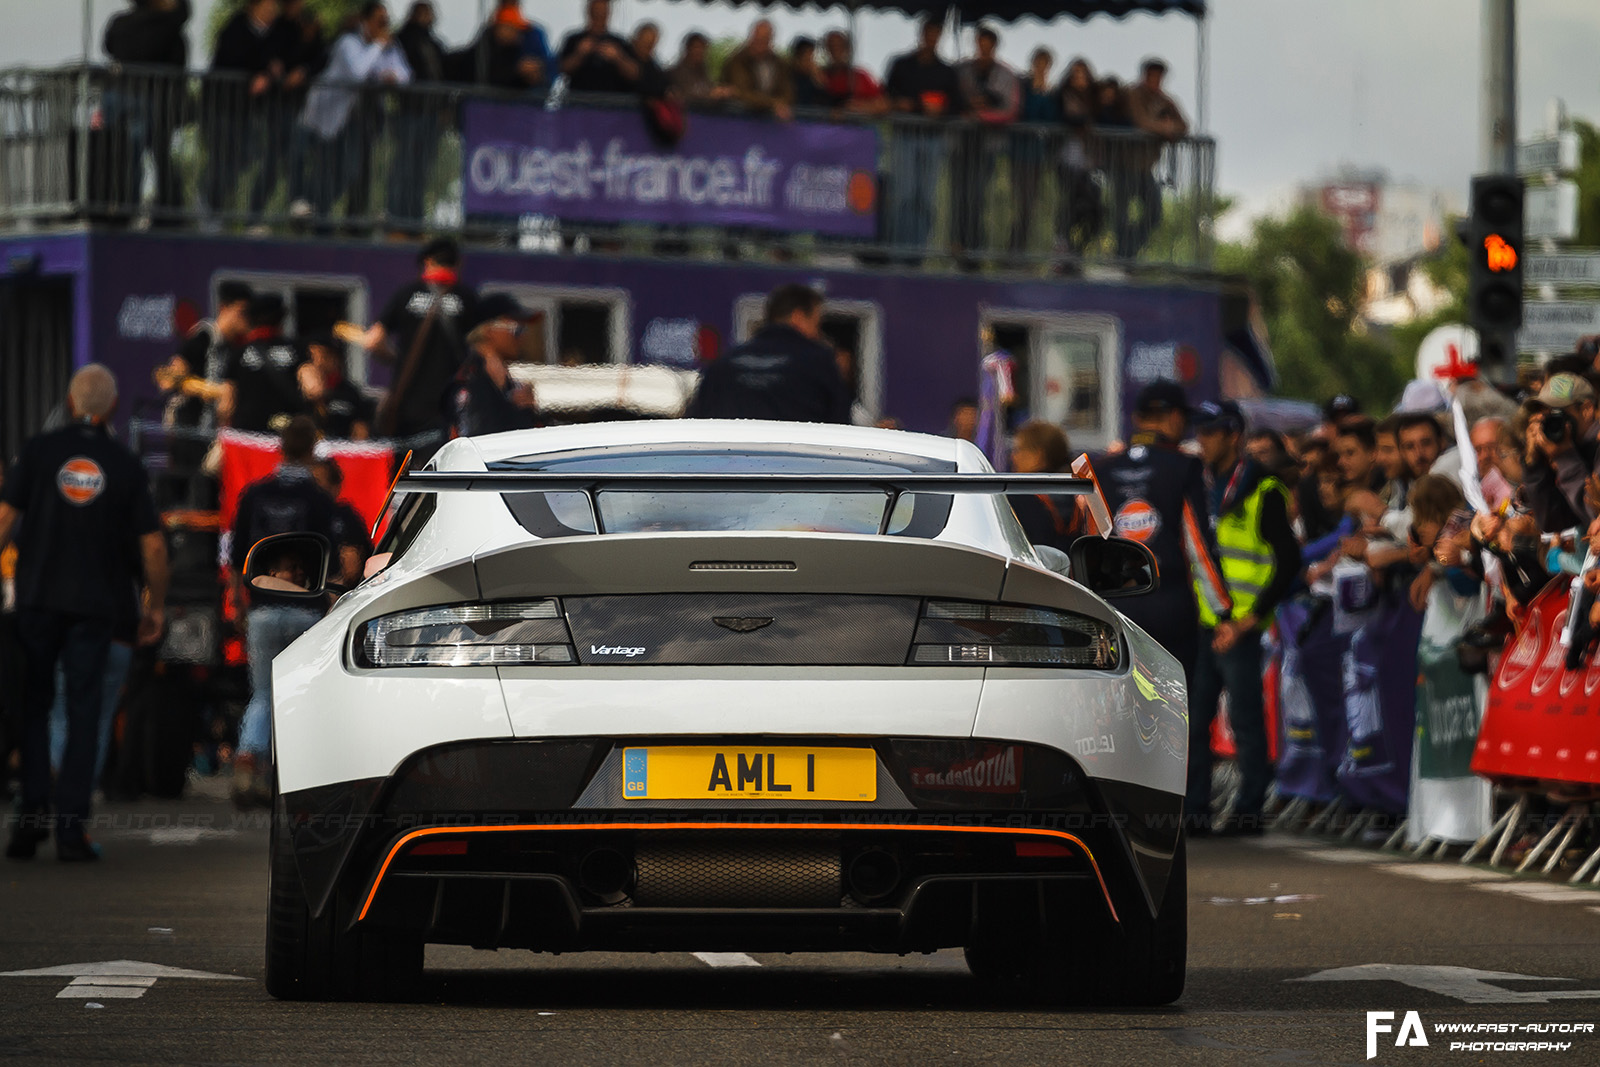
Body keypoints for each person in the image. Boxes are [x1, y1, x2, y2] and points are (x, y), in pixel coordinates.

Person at [0, 366, 168, 861]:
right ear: (111, 409)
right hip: (96, 608)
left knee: (33, 709)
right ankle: (71, 832)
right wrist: (154, 605)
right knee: (83, 712)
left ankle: (29, 823)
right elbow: (154, 547)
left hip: (37, 600)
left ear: (71, 404)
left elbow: (6, 520)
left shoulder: (37, 451)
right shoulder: (124, 462)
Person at [1188, 400, 1300, 834]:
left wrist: (1249, 620)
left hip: (1242, 623)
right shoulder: (1197, 482)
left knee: (1246, 719)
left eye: (1211, 431)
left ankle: (1250, 809)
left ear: (1232, 434)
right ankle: (1195, 810)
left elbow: (1287, 561)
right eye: (1199, 430)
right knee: (1195, 721)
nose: (1203, 439)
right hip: (1205, 620)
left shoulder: (1263, 487)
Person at [1092, 381, 1231, 703]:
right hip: (1170, 604)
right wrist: (1223, 612)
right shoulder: (1185, 466)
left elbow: (1091, 541)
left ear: (1140, 419)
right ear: (1171, 417)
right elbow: (1198, 545)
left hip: (1116, 607)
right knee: (1176, 708)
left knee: (1123, 706)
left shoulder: (1101, 468)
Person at [229, 416, 335, 807]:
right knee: (298, 695)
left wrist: (239, 602)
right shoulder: (320, 500)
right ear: (311, 450)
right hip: (305, 610)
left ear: (280, 448)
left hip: (262, 607)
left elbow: (236, 556)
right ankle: (288, 777)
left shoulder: (254, 495)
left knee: (262, 693)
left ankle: (246, 760)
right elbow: (331, 558)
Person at [358, 237, 478, 458]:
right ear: (457, 264)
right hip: (447, 406)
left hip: (406, 405)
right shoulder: (467, 298)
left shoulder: (406, 294)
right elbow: (481, 347)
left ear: (427, 262)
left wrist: (396, 359)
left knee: (402, 473)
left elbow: (372, 341)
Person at [298, 1, 411, 224]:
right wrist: (378, 46)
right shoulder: (348, 43)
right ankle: (308, 205)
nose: (383, 26)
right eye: (379, 21)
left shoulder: (385, 47)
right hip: (330, 117)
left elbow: (405, 74)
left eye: (386, 22)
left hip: (360, 121)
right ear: (365, 21)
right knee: (328, 167)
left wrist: (392, 75)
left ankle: (317, 210)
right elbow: (358, 72)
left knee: (349, 171)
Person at [686, 284, 850, 423]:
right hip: (795, 459)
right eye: (816, 323)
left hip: (729, 459)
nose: (818, 333)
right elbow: (840, 430)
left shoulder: (724, 364)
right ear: (798, 317)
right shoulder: (820, 362)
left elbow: (695, 424)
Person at [102, 0, 191, 222]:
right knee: (137, 151)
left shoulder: (121, 22)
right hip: (145, 97)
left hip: (124, 93)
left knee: (123, 152)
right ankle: (134, 205)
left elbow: (109, 45)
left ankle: (123, 204)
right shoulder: (168, 29)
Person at [884, 18, 964, 256]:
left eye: (936, 35)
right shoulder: (901, 65)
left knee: (926, 200)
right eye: (928, 33)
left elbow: (955, 105)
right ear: (921, 34)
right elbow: (888, 97)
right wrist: (910, 105)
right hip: (905, 138)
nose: (931, 39)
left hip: (933, 139)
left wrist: (940, 110)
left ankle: (918, 253)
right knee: (904, 197)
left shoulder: (946, 71)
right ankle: (898, 251)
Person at [206, 0, 282, 220]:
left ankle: (216, 203)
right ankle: (210, 204)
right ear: (253, 8)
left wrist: (270, 72)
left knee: (244, 156)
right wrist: (258, 73)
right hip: (223, 106)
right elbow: (233, 60)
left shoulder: (274, 34)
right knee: (224, 157)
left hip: (247, 110)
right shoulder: (236, 28)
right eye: (267, 7)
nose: (271, 12)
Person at [953, 26, 1019, 260]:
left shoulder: (1004, 74)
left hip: (988, 145)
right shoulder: (962, 69)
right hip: (961, 144)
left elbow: (1009, 110)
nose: (982, 48)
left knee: (978, 196)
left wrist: (983, 114)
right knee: (959, 195)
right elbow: (955, 99)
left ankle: (974, 249)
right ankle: (957, 244)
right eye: (979, 43)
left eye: (987, 44)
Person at [152, 280, 253, 433]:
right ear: (224, 308)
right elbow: (168, 378)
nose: (247, 319)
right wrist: (213, 391)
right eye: (242, 312)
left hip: (212, 433)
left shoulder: (237, 347)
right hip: (189, 430)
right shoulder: (204, 336)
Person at [1115, 58, 1187, 259]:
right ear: (1145, 75)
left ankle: (1128, 252)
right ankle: (1122, 255)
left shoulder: (1165, 100)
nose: (1155, 80)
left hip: (1146, 168)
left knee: (1154, 213)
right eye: (1152, 75)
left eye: (1159, 76)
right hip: (1123, 164)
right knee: (1122, 214)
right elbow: (1141, 122)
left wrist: (1168, 127)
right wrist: (1163, 128)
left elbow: (1184, 126)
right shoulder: (1133, 93)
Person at [389, 2, 450, 232]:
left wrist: (445, 108)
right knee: (404, 166)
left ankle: (414, 220)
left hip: (431, 115)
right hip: (410, 112)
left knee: (421, 170)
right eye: (423, 12)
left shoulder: (434, 43)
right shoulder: (403, 39)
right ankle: (397, 218)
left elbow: (444, 73)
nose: (428, 17)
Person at [451, 294, 540, 438]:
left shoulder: (506, 380)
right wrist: (514, 408)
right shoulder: (468, 378)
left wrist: (527, 408)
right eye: (516, 330)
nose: (522, 337)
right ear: (488, 330)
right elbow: (477, 438)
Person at [220, 293, 311, 433]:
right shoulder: (296, 349)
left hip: (248, 437)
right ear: (282, 317)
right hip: (287, 434)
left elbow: (226, 406)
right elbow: (313, 389)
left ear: (251, 318)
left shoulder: (238, 352)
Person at [1521, 372, 1600, 533]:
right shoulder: (1572, 447)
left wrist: (1565, 458)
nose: (1550, 423)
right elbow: (1552, 521)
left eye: (1557, 414)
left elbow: (1593, 513)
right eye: (1544, 416)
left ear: (1586, 409)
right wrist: (1535, 464)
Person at [1010, 47, 1060, 257]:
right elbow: (1023, 113)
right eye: (1038, 63)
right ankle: (1013, 251)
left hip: (1038, 155)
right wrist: (1036, 91)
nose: (1041, 68)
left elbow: (1049, 120)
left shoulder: (1050, 92)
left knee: (1030, 204)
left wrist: (1044, 93)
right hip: (1019, 152)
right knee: (1021, 203)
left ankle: (1020, 251)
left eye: (1045, 64)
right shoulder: (1022, 85)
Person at [1007, 421, 1082, 552]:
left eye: (1018, 450)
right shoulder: (1080, 492)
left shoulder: (1019, 498)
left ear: (1038, 455)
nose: (1013, 456)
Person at [313, 458, 373, 588]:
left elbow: (351, 565)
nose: (313, 489)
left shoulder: (344, 517)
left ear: (335, 487)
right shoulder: (301, 517)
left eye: (317, 482)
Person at [557, 0, 638, 94]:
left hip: (614, 102)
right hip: (579, 101)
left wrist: (617, 58)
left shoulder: (620, 42)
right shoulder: (573, 39)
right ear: (588, 12)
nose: (599, 16)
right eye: (596, 12)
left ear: (609, 14)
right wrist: (579, 55)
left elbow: (635, 75)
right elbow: (560, 69)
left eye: (602, 12)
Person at [302, 335, 373, 440]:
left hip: (341, 449)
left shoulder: (350, 393)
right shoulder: (300, 393)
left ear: (336, 359)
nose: (319, 362)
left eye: (325, 356)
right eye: (313, 356)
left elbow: (361, 433)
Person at [721, 20, 793, 120]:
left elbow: (787, 91)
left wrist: (782, 103)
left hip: (770, 123)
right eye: (757, 39)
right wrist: (774, 103)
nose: (759, 45)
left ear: (771, 41)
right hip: (740, 119)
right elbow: (742, 92)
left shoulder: (779, 64)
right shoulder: (738, 61)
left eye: (765, 40)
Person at [821, 31, 886, 116]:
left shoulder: (859, 77)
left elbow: (883, 105)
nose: (835, 51)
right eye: (831, 47)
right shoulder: (820, 77)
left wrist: (859, 108)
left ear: (847, 49)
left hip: (856, 127)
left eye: (839, 46)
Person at [668, 32, 734, 108]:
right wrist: (710, 94)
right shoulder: (676, 73)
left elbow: (709, 87)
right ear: (688, 48)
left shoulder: (704, 71)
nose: (700, 51)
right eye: (697, 47)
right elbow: (685, 95)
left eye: (703, 48)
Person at [790, 37, 826, 110]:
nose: (810, 61)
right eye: (806, 57)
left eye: (812, 56)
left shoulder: (815, 77)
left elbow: (825, 103)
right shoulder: (789, 77)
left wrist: (819, 83)